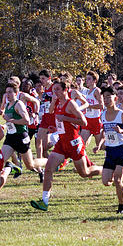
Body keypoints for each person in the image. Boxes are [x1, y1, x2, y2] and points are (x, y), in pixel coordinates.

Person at [30, 80, 102, 212]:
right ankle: (44, 201)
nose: (55, 92)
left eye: (57, 89)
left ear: (65, 90)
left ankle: (104, 170)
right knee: (48, 169)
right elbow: (53, 113)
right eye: (54, 89)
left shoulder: (71, 104)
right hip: (62, 143)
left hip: (74, 143)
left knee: (84, 173)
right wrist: (55, 128)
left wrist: (66, 119)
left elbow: (83, 121)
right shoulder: (57, 103)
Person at [98, 86, 123, 214]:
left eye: (108, 97)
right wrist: (99, 145)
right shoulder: (103, 115)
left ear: (115, 98)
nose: (106, 100)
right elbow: (105, 132)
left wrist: (122, 131)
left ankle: (122, 207)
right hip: (110, 150)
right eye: (104, 97)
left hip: (122, 150)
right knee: (106, 181)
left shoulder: (122, 115)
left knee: (118, 180)